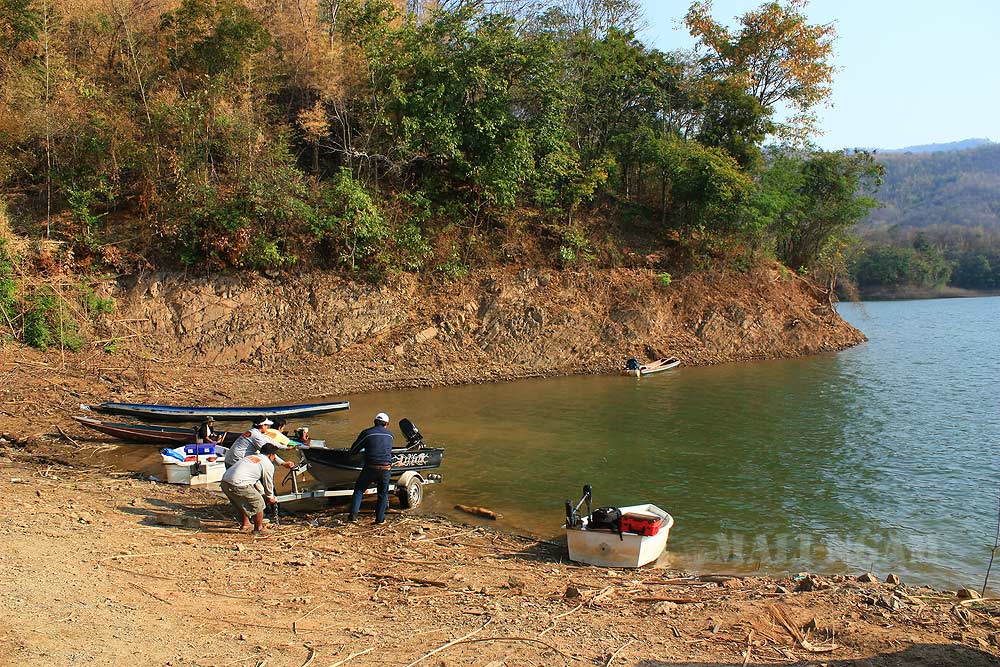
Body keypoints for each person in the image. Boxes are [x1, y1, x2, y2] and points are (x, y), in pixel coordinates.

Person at [220, 442, 280, 535]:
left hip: (225, 482)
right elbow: (268, 483)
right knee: (259, 503)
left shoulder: (251, 457)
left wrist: (261, 492)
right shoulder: (268, 464)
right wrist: (270, 497)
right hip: (238, 483)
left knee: (240, 503)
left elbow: (253, 479)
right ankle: (258, 529)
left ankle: (246, 524)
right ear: (271, 455)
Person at [347, 412, 395, 524]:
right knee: (383, 494)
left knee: (359, 490)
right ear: (387, 423)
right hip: (386, 468)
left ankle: (353, 517)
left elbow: (354, 450)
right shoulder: (390, 435)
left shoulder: (367, 433)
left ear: (374, 422)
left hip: (370, 467)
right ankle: (380, 519)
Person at [225, 417, 295, 470]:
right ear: (262, 425)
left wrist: (285, 447)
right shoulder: (256, 435)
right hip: (235, 462)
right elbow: (267, 452)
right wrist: (283, 463)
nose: (267, 427)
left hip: (231, 459)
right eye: (267, 425)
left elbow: (269, 440)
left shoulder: (254, 432)